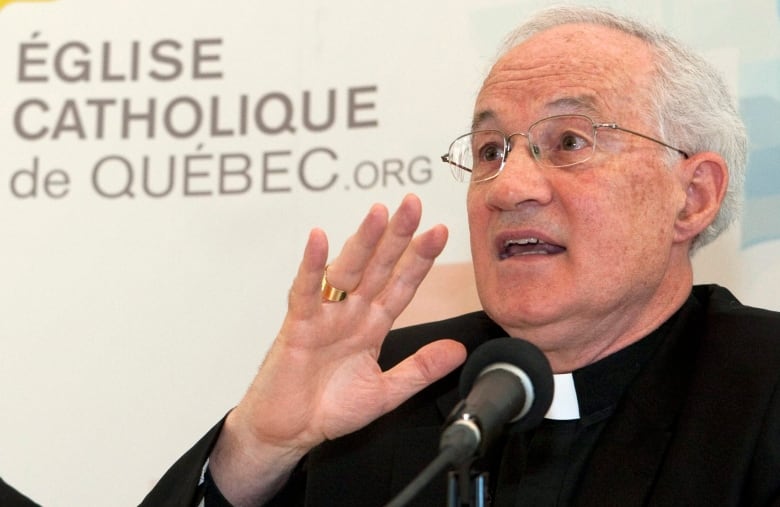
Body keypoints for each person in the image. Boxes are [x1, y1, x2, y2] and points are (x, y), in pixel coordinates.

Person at [140, 5, 780, 507]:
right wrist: (257, 447)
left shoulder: (762, 392)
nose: (507, 188)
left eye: (569, 141)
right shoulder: (391, 386)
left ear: (692, 196)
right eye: (489, 151)